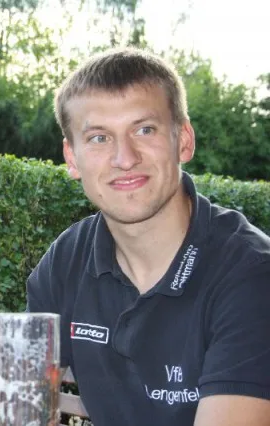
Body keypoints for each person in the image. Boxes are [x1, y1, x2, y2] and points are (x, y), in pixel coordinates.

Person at [26, 48, 270, 426]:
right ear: (72, 158)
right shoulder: (65, 262)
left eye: (144, 130)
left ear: (183, 140)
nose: (124, 158)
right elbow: (20, 407)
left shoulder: (251, 273)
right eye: (98, 138)